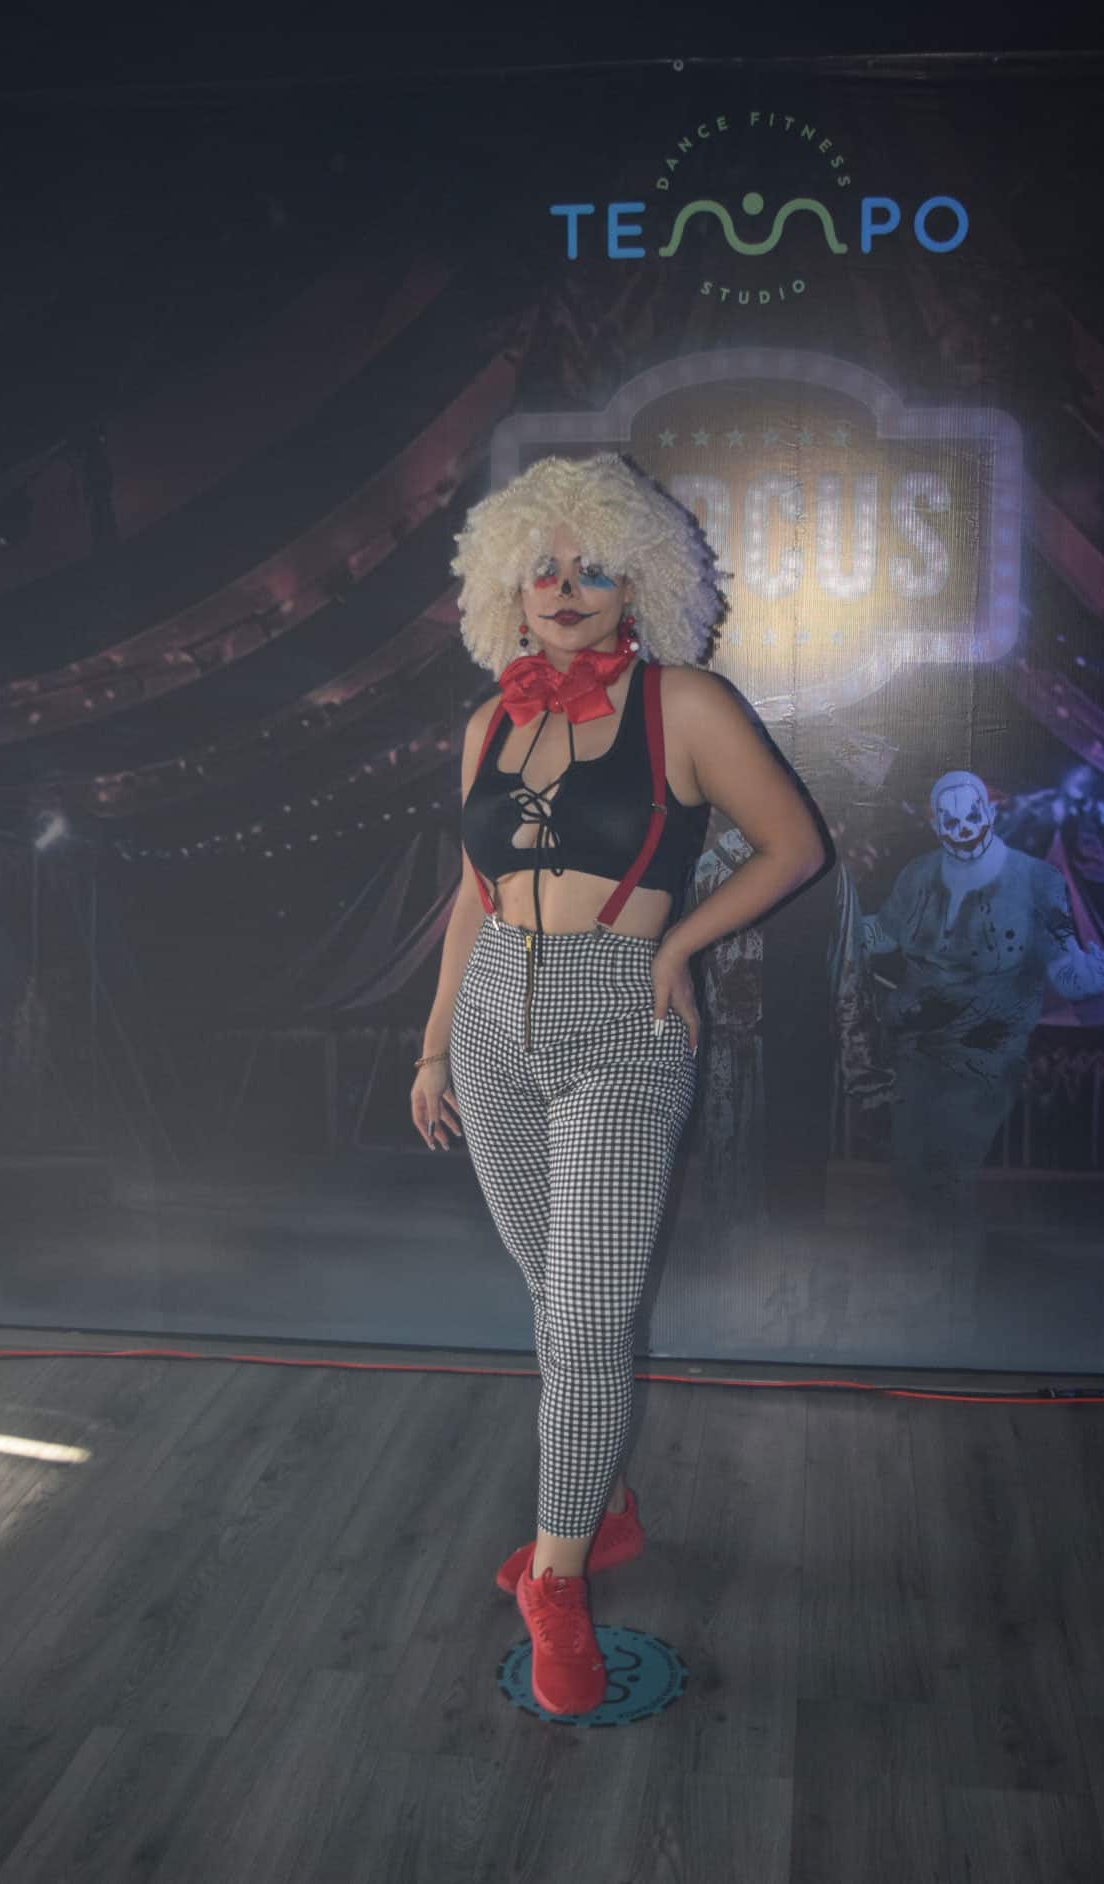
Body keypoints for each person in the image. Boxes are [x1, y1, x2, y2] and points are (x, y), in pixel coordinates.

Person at [410, 453, 828, 1716]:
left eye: (592, 566)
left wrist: (678, 945)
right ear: (505, 585)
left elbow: (795, 846)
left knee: (587, 1323)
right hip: (493, 1023)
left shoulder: (683, 704)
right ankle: (603, 1508)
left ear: (637, 582)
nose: (564, 587)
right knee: (557, 1306)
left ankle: (555, 1580)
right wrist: (433, 1046)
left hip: (620, 1024)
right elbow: (472, 899)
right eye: (541, 566)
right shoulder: (488, 723)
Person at [859, 768, 1104, 1209]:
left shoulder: (1037, 882)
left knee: (950, 1169)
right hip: (916, 1049)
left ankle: (954, 1244)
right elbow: (883, 933)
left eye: (972, 817)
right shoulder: (917, 876)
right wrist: (838, 923)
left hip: (986, 1053)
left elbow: (1064, 968)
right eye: (951, 822)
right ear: (936, 826)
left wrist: (1087, 978)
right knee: (911, 1170)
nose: (964, 831)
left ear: (990, 815)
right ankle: (934, 1243)